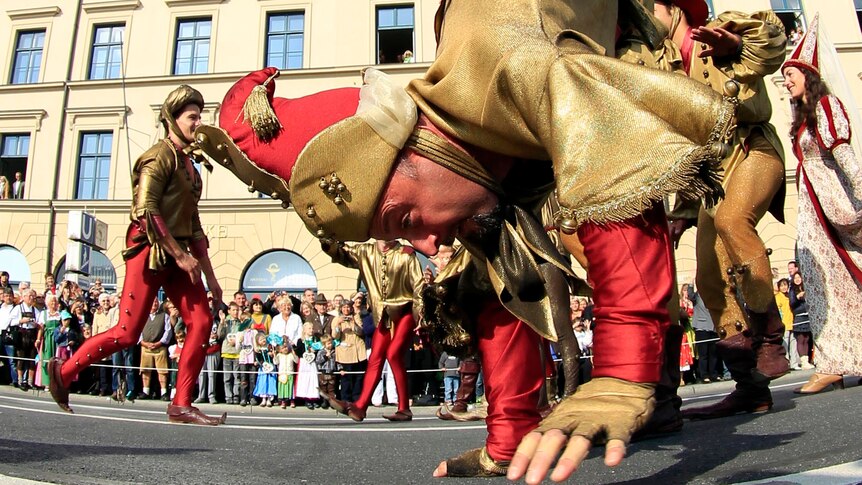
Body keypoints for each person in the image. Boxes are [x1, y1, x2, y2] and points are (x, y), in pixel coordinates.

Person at [201, 0, 738, 476]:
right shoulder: (463, 170)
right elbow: (497, 292)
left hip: (625, 37)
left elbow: (612, 168)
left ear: (416, 147)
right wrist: (506, 445)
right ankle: (626, 404)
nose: (430, 247)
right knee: (481, 269)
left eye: (407, 221)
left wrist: (621, 373)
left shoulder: (508, 61)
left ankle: (695, 379)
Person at [640, 0, 790, 420]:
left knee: (732, 220)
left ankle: (770, 336)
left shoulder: (719, 28)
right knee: (708, 277)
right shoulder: (660, 63)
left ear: (672, 7)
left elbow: (771, 42)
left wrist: (735, 46)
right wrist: (683, 213)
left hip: (753, 148)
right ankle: (751, 387)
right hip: (712, 177)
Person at [46, 85, 225, 426]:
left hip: (178, 255)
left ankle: (181, 404)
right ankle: (64, 370)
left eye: (199, 116)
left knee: (201, 322)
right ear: (171, 120)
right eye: (192, 117)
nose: (197, 123)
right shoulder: (158, 157)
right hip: (147, 251)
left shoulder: (192, 169)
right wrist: (180, 255)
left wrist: (211, 277)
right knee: (128, 333)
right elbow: (146, 211)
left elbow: (194, 225)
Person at [781, 16, 862, 394]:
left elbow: (845, 158)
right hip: (813, 208)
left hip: (833, 205)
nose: (786, 81)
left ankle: (836, 361)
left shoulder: (827, 107)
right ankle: (834, 359)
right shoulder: (801, 119)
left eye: (791, 74)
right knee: (823, 282)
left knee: (839, 279)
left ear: (808, 75)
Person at [321, 239, 423, 422]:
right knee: (375, 357)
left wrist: (420, 314)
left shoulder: (406, 254)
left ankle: (404, 408)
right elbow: (342, 254)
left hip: (405, 310)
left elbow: (419, 285)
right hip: (382, 314)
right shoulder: (365, 251)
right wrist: (329, 242)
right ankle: (361, 406)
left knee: (393, 354)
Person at [332, 299, 367, 403]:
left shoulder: (356, 317)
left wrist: (353, 323)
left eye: (348, 307)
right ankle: (345, 399)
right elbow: (335, 336)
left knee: (358, 377)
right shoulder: (336, 319)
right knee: (346, 379)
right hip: (345, 352)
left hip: (358, 352)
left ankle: (357, 398)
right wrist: (338, 325)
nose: (346, 309)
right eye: (344, 307)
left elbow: (361, 332)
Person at [139, 298, 173, 401]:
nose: (154, 304)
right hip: (145, 347)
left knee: (162, 371)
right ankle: (146, 391)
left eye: (156, 302)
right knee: (145, 370)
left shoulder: (164, 316)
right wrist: (143, 343)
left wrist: (160, 343)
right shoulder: (142, 316)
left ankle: (164, 392)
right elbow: (138, 331)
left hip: (160, 347)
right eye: (152, 302)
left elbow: (168, 331)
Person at [10, 288, 41, 391]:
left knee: (32, 358)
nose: (32, 298)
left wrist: (35, 323)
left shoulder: (35, 310)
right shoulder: (18, 308)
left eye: (33, 296)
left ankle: (30, 381)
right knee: (21, 358)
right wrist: (21, 320)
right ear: (24, 297)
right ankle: (20, 380)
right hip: (22, 334)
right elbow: (11, 322)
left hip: (32, 334)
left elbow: (40, 323)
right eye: (29, 296)